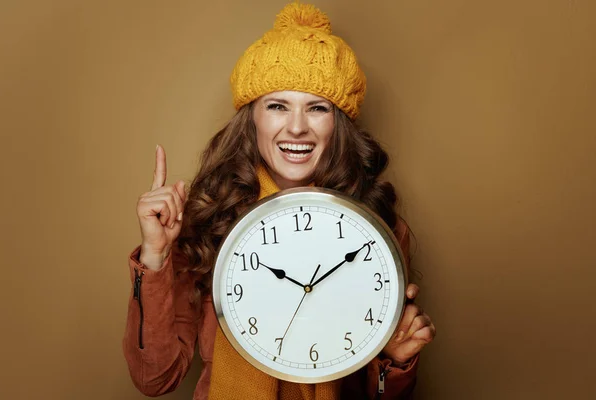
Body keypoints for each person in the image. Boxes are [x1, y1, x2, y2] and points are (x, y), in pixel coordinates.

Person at [122, 2, 436, 399]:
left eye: (317, 108)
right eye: (277, 106)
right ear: (251, 118)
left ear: (338, 123)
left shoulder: (377, 230)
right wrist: (155, 257)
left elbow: (379, 394)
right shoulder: (208, 222)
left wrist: (393, 361)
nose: (298, 127)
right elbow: (155, 379)